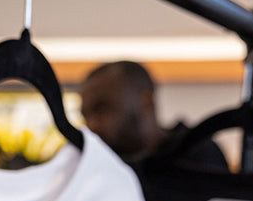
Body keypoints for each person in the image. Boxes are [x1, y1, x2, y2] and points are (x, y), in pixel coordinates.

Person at [80, 60, 229, 169]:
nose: (91, 126)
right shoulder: (99, 167)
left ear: (146, 102)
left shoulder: (198, 154)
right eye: (85, 115)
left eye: (102, 109)